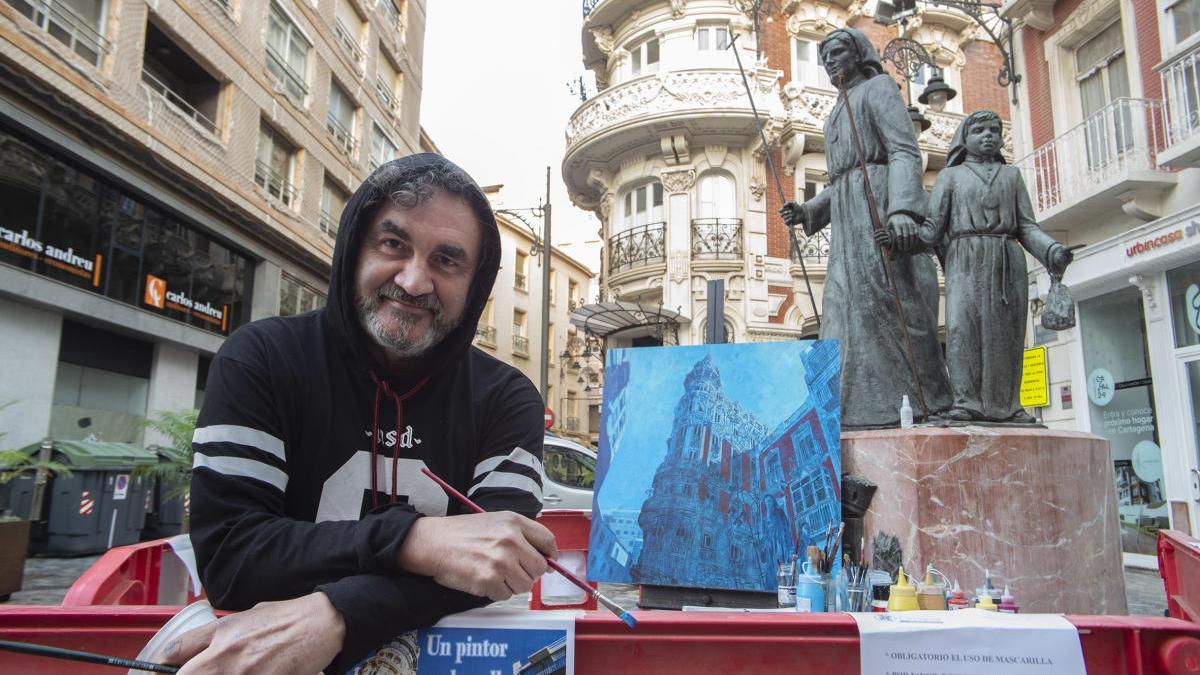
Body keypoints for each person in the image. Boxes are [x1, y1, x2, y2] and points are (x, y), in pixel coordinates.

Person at [166, 154, 557, 674]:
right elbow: (231, 558)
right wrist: (416, 542)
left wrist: (335, 615)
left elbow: (494, 568)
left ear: (476, 283)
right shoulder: (259, 358)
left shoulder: (508, 399)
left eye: (447, 260)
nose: (415, 282)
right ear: (353, 248)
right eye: (393, 245)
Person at [779, 28, 951, 428]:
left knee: (889, 300)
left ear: (859, 54)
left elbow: (904, 151)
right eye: (825, 58)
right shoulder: (834, 113)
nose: (830, 62)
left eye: (838, 53)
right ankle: (855, 405)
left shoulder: (878, 90)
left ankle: (923, 399)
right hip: (847, 222)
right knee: (840, 307)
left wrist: (903, 211)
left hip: (879, 206)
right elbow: (840, 179)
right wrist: (807, 211)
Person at [914, 110, 1072, 422]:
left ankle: (1009, 405)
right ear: (965, 138)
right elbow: (932, 228)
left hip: (1006, 259)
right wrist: (901, 235)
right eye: (980, 130)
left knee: (1007, 334)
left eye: (994, 130)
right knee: (962, 329)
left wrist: (1051, 250)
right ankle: (966, 401)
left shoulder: (1011, 176)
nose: (988, 135)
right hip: (965, 258)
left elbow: (1026, 227)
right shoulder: (950, 177)